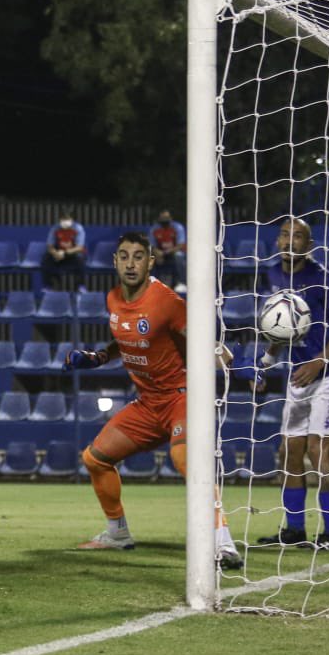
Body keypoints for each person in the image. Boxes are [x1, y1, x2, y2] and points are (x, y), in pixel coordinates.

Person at [63, 231, 242, 569]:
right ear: (115, 262)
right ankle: (117, 533)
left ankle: (224, 545)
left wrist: (235, 364)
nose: (131, 263)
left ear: (150, 261)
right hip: (147, 404)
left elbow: (207, 340)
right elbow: (126, 338)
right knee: (95, 458)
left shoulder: (167, 302)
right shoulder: (113, 298)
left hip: (181, 397)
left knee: (187, 460)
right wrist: (98, 357)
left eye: (138, 256)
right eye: (124, 256)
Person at [254, 217, 329, 552]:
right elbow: (281, 326)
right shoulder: (272, 274)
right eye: (284, 234)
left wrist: (319, 361)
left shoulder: (323, 277)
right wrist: (267, 362)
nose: (290, 241)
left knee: (318, 449)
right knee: (288, 451)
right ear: (277, 241)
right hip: (299, 375)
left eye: (298, 236)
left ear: (308, 245)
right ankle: (295, 530)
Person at [41, 210, 87, 292]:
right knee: (46, 258)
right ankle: (48, 286)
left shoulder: (78, 228)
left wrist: (64, 253)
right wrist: (55, 253)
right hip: (58, 254)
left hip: (72, 254)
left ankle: (81, 285)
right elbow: (50, 246)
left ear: (72, 220)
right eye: (63, 219)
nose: (65, 222)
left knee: (80, 259)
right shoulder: (55, 228)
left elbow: (79, 247)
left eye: (67, 219)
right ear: (60, 219)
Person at [149, 209, 187, 292]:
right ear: (159, 218)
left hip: (174, 253)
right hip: (160, 254)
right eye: (162, 217)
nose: (164, 219)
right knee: (148, 257)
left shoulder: (177, 227)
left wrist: (165, 253)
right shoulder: (155, 229)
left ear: (171, 218)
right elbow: (152, 246)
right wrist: (157, 253)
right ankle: (150, 284)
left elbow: (180, 245)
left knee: (179, 255)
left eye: (166, 217)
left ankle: (182, 283)